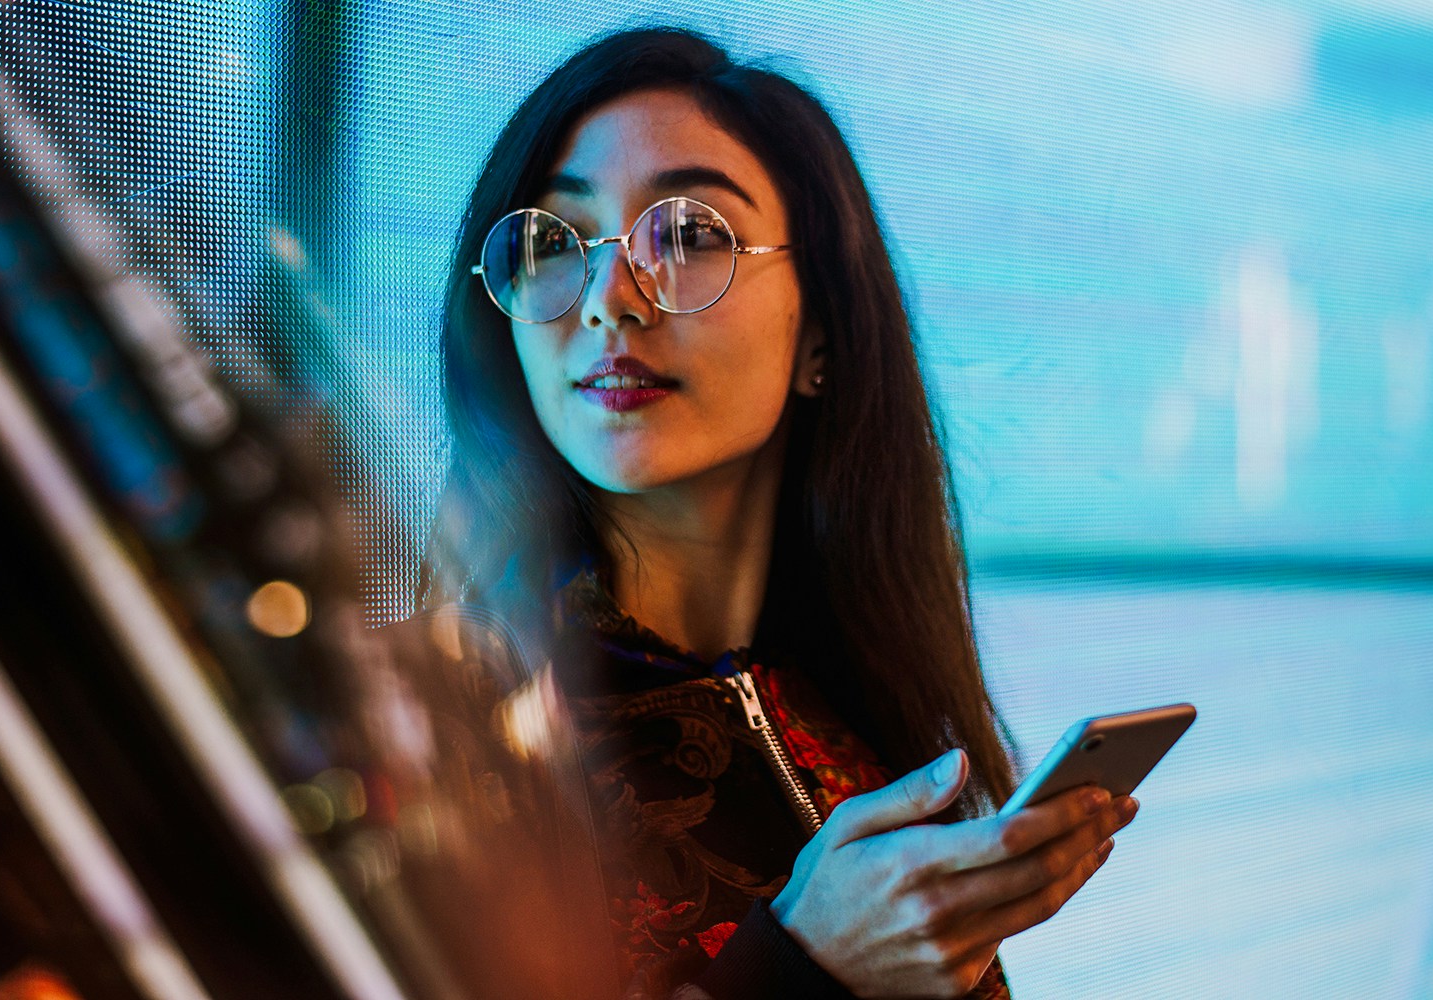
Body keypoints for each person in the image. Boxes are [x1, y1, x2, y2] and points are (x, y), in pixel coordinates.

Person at [411, 27, 1138, 1000]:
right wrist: (802, 969)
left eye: (688, 235)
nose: (609, 300)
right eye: (554, 242)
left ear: (821, 334)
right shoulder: (434, 725)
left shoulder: (861, 719)